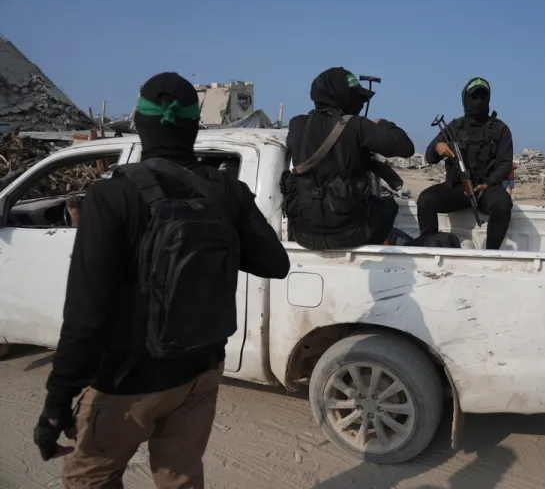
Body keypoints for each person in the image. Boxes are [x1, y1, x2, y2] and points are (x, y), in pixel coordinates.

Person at [34, 72, 291, 488]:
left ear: (139, 123)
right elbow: (275, 263)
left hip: (127, 383)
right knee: (181, 479)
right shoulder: (226, 191)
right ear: (195, 126)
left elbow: (86, 315)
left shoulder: (111, 196)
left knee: (89, 480)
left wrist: (57, 401)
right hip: (200, 373)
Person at [281, 67, 414, 250]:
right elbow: (406, 147)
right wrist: (383, 124)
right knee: (389, 206)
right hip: (348, 235)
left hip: (303, 234)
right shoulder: (357, 125)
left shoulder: (297, 124)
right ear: (344, 96)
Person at [417, 77, 514, 249]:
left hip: (486, 189)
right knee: (425, 200)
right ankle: (430, 245)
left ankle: (491, 253)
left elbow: (505, 164)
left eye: (483, 97)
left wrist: (488, 183)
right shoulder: (454, 127)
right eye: (474, 97)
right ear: (465, 98)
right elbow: (430, 157)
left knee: (503, 203)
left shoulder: (500, 129)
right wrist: (438, 147)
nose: (479, 101)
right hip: (457, 187)